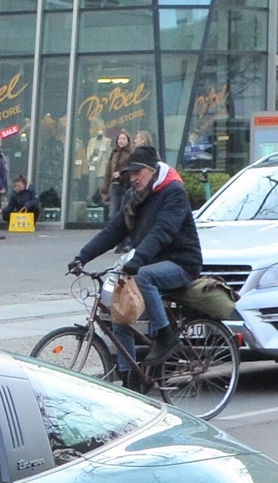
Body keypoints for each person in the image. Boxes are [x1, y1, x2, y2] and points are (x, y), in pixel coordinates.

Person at [70, 143, 202, 369]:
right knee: (121, 315)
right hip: (149, 261)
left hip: (180, 263)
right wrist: (83, 257)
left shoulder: (173, 192)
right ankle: (129, 376)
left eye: (138, 172)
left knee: (143, 277)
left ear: (152, 170)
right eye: (130, 173)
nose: (133, 177)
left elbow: (162, 232)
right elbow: (115, 230)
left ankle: (165, 336)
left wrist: (137, 260)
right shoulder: (135, 195)